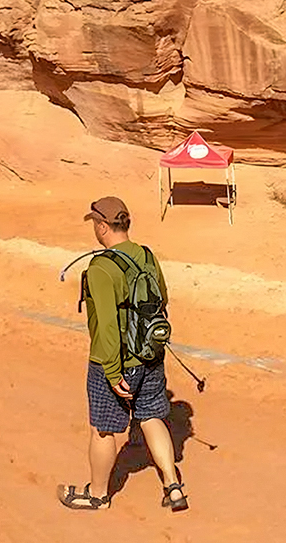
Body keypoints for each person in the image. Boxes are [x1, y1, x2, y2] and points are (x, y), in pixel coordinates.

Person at [58, 196, 188, 513]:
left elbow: (106, 327)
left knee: (103, 428)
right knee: (152, 416)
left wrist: (113, 373)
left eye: (95, 224)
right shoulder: (146, 256)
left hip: (114, 362)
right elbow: (163, 300)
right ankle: (173, 487)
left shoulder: (101, 267)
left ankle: (98, 494)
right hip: (151, 354)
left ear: (102, 226)